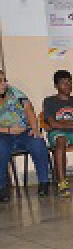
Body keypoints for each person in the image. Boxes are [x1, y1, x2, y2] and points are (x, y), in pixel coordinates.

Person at [0, 70, 50, 201]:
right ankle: (2, 188)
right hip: (3, 134)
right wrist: (9, 130)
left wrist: (35, 128)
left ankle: (44, 182)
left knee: (37, 142)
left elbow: (29, 110)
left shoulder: (15, 93)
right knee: (1, 149)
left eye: (4, 80)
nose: (4, 84)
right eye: (0, 81)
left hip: (24, 132)